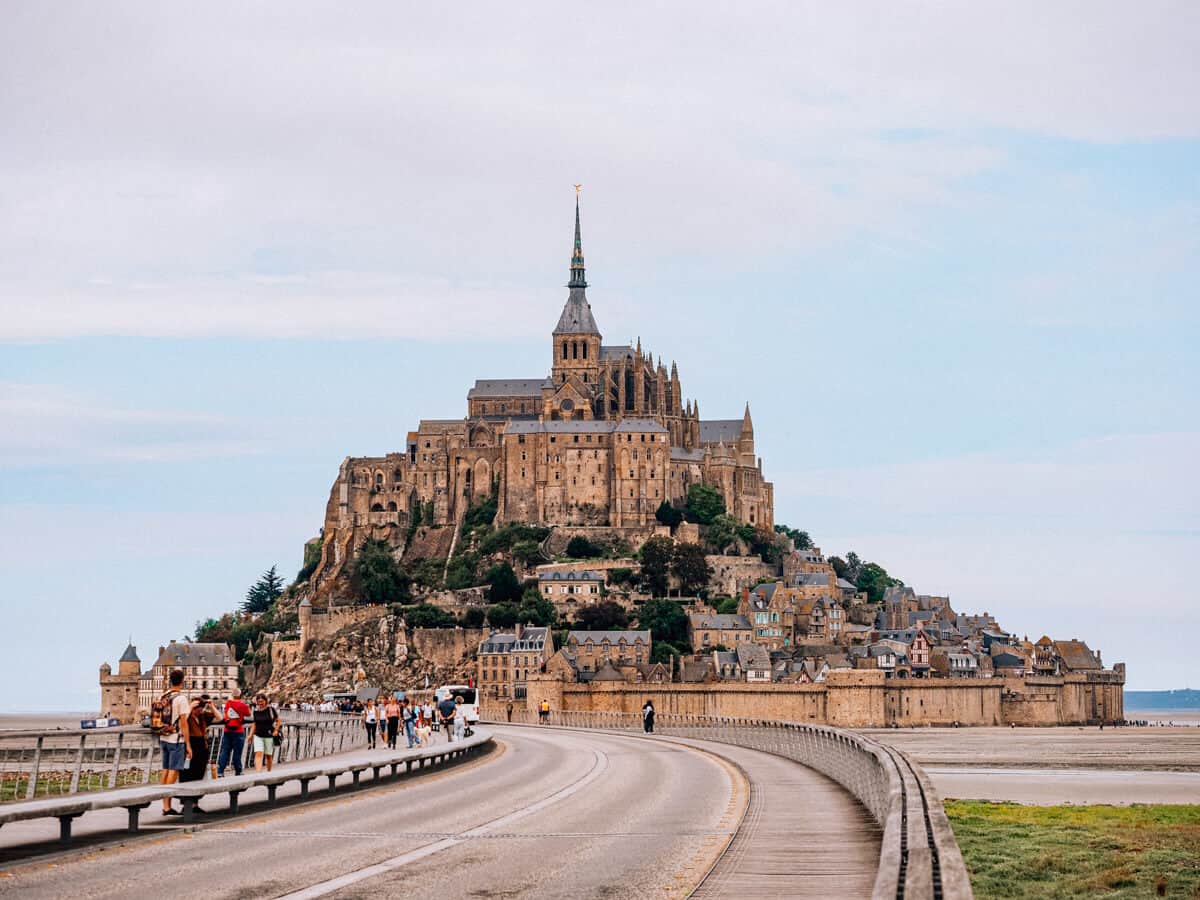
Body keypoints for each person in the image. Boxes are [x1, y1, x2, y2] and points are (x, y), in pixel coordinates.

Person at [158, 669, 191, 816]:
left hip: (164, 737)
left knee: (165, 770)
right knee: (173, 771)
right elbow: (184, 723)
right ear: (182, 681)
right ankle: (167, 806)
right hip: (176, 740)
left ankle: (165, 804)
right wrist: (188, 745)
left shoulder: (164, 696)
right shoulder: (181, 699)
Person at [180, 695, 217, 811]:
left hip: (202, 746)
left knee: (198, 774)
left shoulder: (202, 717)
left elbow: (220, 717)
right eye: (197, 708)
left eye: (200, 707)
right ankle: (186, 804)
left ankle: (195, 803)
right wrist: (189, 708)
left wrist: (211, 706)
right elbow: (182, 722)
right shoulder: (187, 716)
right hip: (190, 746)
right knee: (187, 774)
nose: (199, 710)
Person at [217, 688, 251, 777]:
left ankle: (220, 771)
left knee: (225, 751)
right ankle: (238, 771)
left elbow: (226, 714)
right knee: (237, 752)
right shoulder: (243, 705)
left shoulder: (228, 703)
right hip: (238, 730)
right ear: (240, 695)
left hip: (227, 730)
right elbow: (248, 714)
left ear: (232, 695)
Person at [247, 693, 281, 772]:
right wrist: (250, 735)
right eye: (258, 701)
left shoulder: (271, 709)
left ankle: (268, 773)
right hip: (258, 735)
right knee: (258, 753)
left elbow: (278, 721)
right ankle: (259, 773)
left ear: (265, 701)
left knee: (268, 756)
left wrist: (276, 730)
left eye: (262, 701)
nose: (260, 703)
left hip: (269, 735)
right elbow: (254, 724)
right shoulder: (255, 711)